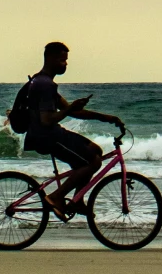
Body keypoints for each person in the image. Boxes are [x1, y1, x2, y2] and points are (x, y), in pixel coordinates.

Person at [12, 40, 102, 218]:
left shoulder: (41, 81)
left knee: (95, 150)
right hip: (47, 136)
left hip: (50, 133)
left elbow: (71, 111)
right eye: (62, 60)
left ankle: (78, 201)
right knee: (93, 162)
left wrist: (106, 118)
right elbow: (47, 120)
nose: (66, 64)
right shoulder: (45, 85)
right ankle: (55, 197)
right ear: (51, 59)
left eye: (66, 60)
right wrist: (70, 109)